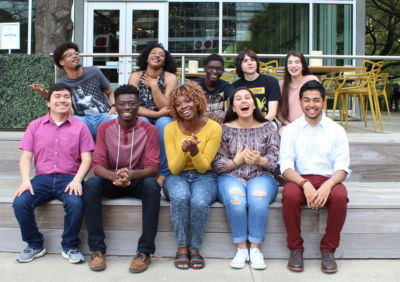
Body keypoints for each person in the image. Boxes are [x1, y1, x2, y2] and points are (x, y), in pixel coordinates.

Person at [13, 83, 94, 264]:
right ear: (48, 103)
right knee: (20, 202)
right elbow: (26, 157)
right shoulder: (35, 126)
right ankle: (35, 244)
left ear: (70, 101)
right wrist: (26, 181)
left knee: (76, 203)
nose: (62, 100)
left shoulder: (80, 127)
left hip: (69, 178)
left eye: (66, 96)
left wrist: (77, 180)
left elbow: (87, 158)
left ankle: (70, 246)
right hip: (42, 179)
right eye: (57, 96)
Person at [83, 84, 161, 273]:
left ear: (138, 105)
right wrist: (113, 176)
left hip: (138, 179)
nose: (127, 108)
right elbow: (97, 164)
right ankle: (97, 250)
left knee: (152, 186)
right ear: (115, 106)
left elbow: (153, 167)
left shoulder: (150, 129)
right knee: (91, 184)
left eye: (131, 104)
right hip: (112, 180)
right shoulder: (105, 128)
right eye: (122, 104)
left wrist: (132, 175)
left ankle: (144, 252)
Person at [279, 80, 350, 274]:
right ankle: (295, 249)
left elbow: (342, 168)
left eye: (316, 100)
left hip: (329, 179)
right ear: (300, 102)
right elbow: (285, 167)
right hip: (299, 179)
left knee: (340, 196)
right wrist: (304, 183)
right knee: (290, 195)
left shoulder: (337, 131)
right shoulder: (291, 130)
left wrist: (328, 185)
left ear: (324, 102)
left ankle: (328, 250)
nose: (312, 105)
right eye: (307, 100)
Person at [213, 87, 279, 270]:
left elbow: (275, 162)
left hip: (261, 176)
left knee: (258, 199)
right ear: (233, 107)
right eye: (239, 99)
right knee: (236, 200)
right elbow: (217, 164)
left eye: (248, 98)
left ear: (254, 103)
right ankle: (242, 249)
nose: (244, 101)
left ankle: (256, 249)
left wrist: (260, 160)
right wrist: (235, 161)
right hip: (231, 177)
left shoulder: (268, 127)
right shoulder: (223, 130)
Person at [163, 82, 222, 270]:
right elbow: (174, 168)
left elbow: (204, 167)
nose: (184, 107)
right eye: (178, 104)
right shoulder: (170, 129)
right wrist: (185, 150)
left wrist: (194, 151)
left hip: (204, 177)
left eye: (188, 101)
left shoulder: (214, 128)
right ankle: (182, 247)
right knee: (180, 197)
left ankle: (194, 248)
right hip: (177, 176)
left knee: (199, 201)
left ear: (197, 102)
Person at [30, 42, 117, 139]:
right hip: (82, 119)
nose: (75, 56)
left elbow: (110, 92)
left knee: (116, 120)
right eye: (69, 55)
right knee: (70, 124)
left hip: (103, 116)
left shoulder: (94, 72)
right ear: (61, 62)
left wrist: (113, 106)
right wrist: (49, 96)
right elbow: (69, 113)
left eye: (76, 53)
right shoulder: (62, 84)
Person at [128, 42, 178, 187]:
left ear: (165, 60)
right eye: (154, 53)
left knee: (164, 124)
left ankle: (164, 172)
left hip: (164, 116)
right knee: (142, 121)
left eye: (161, 55)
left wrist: (155, 86)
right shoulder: (136, 76)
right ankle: (141, 170)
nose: (157, 56)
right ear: (146, 57)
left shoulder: (170, 78)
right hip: (143, 115)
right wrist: (155, 114)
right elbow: (132, 105)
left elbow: (167, 106)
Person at [232, 49, 281, 121]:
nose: (250, 63)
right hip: (243, 124)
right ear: (240, 65)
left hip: (267, 123)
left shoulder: (272, 82)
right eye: (245, 61)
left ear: (257, 63)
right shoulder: (234, 87)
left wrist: (258, 126)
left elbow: (272, 114)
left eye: (252, 60)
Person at [277, 50, 319, 134]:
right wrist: (290, 125)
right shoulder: (282, 85)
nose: (293, 66)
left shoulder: (311, 80)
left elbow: (319, 104)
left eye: (297, 62)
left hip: (311, 124)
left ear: (303, 65)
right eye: (290, 63)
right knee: (283, 132)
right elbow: (278, 113)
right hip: (289, 126)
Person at [195, 54, 234, 123]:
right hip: (199, 123)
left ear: (222, 70)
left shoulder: (226, 86)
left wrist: (225, 113)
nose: (215, 71)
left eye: (218, 68)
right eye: (211, 68)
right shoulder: (196, 85)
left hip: (219, 122)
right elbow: (187, 104)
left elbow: (232, 103)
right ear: (205, 68)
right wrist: (203, 114)